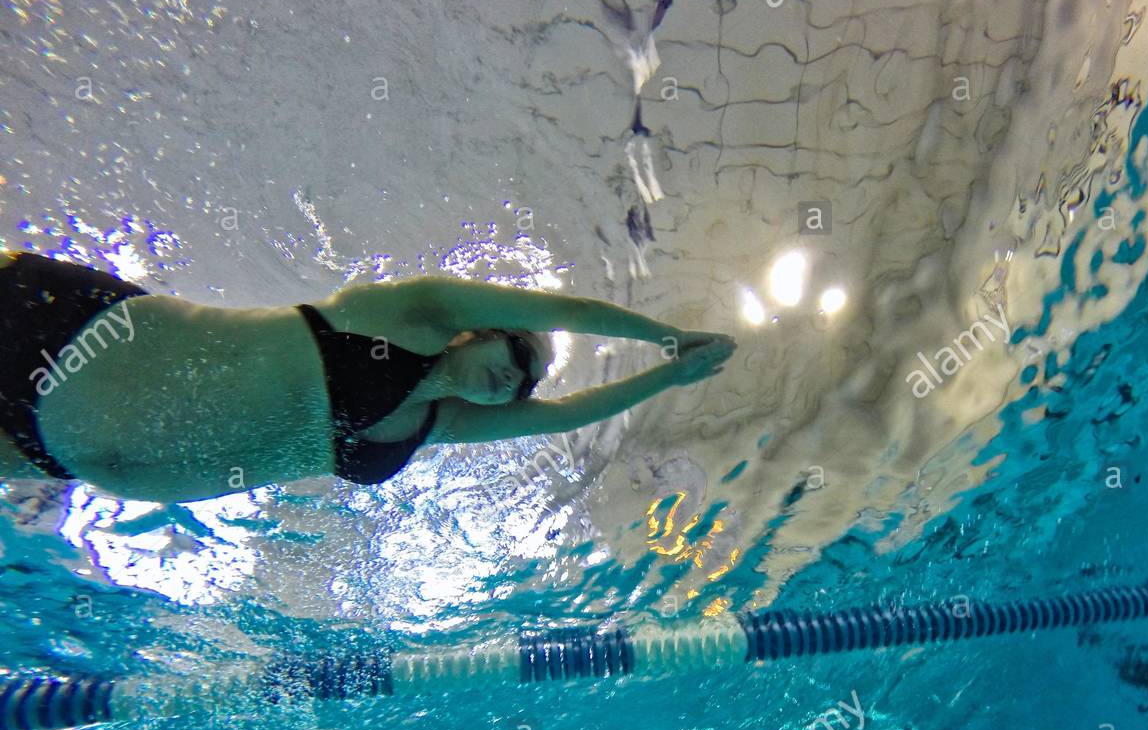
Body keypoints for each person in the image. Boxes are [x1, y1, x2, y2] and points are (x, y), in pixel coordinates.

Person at [0, 251, 735, 503]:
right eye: (514, 362)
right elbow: (566, 308)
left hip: (47, 452)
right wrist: (665, 339)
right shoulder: (405, 316)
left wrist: (668, 382)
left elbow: (569, 415)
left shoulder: (433, 423)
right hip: (68, 338)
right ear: (481, 327)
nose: (509, 387)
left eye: (521, 386)